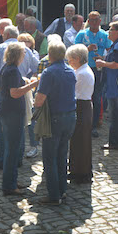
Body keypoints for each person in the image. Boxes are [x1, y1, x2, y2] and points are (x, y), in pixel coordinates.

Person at [35, 41, 77, 203]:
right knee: (61, 155)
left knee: (49, 157)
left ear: (50, 55)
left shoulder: (49, 72)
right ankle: (62, 190)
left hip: (54, 118)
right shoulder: (70, 71)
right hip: (70, 116)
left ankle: (53, 195)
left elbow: (39, 100)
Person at [0, 42, 39, 195]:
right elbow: (14, 93)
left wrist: (25, 81)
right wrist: (33, 84)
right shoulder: (12, 70)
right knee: (12, 150)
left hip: (8, 111)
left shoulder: (8, 68)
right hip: (11, 113)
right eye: (23, 53)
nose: (24, 56)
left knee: (12, 149)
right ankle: (9, 185)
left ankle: (12, 181)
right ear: (17, 55)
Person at [95, 21, 118, 150]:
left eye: (111, 30)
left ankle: (114, 142)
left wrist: (103, 64)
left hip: (116, 85)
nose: (108, 32)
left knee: (115, 115)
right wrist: (104, 60)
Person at [74, 11, 112, 135]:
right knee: (81, 95)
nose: (94, 22)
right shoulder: (82, 34)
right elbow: (74, 52)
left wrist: (103, 58)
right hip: (83, 68)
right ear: (88, 21)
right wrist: (86, 49)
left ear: (100, 21)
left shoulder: (104, 35)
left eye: (96, 20)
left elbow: (110, 50)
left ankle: (94, 124)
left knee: (96, 96)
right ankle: (80, 121)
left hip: (98, 69)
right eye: (91, 20)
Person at [67, 44, 95, 184]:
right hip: (83, 105)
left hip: (81, 106)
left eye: (70, 59)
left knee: (81, 141)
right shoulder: (82, 70)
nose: (69, 62)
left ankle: (81, 172)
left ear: (77, 58)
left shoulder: (82, 73)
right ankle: (77, 169)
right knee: (78, 140)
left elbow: (74, 92)